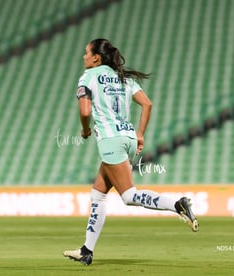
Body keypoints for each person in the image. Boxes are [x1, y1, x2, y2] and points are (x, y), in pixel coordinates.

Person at [63, 39, 199, 265]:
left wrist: (85, 130)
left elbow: (85, 110)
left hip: (110, 140)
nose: (84, 56)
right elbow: (147, 104)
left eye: (86, 52)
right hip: (126, 136)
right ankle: (86, 250)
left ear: (96, 57)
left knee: (128, 195)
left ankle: (177, 204)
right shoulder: (123, 77)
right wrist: (140, 134)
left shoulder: (88, 77)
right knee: (98, 192)